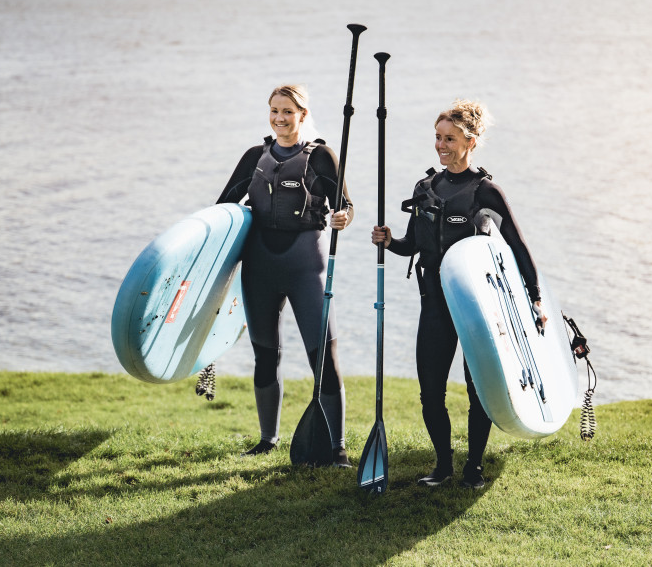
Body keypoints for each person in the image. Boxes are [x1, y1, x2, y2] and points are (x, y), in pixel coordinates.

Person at [370, 99, 548, 489]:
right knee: (429, 391)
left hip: (475, 309)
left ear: (469, 141)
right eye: (437, 137)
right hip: (433, 304)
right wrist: (389, 242)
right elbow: (412, 244)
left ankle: (475, 467)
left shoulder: (486, 192)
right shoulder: (425, 188)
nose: (441, 145)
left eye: (449, 138)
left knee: (477, 388)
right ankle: (442, 465)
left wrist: (534, 298)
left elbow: (518, 247)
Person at [218, 84, 354, 468]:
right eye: (274, 111)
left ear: (303, 115)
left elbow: (345, 206)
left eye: (288, 112)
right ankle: (267, 439)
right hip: (259, 267)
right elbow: (223, 208)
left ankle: (337, 447)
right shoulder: (254, 157)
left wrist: (344, 217)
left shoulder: (322, 156)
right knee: (265, 355)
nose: (280, 118)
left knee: (323, 356)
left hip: (306, 268)